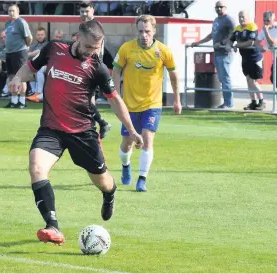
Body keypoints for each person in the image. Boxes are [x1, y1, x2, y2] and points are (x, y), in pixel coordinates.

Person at [9, 20, 143, 245]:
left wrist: (131, 130)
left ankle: (110, 193)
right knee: (36, 167)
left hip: (83, 133)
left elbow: (115, 100)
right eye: (89, 47)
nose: (92, 52)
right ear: (77, 37)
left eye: (97, 48)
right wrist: (16, 78)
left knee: (102, 182)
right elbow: (30, 67)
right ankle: (53, 226)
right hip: (51, 129)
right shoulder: (53, 49)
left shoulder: (97, 67)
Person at [113, 15, 182, 192]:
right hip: (129, 105)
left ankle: (142, 178)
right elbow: (115, 72)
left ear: (154, 31)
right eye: (141, 31)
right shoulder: (126, 49)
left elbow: (174, 76)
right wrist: (117, 98)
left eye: (147, 31)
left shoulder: (163, 51)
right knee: (127, 144)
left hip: (153, 103)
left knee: (147, 139)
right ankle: (126, 166)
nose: (144, 35)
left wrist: (177, 99)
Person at [190, 1, 235, 109]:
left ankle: (229, 103)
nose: (218, 9)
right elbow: (212, 35)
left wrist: (223, 43)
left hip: (225, 53)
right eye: (217, 7)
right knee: (221, 79)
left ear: (225, 7)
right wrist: (198, 42)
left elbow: (234, 33)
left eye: (220, 7)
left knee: (225, 78)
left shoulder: (229, 19)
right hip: (217, 53)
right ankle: (227, 102)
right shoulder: (216, 20)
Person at [79, 1, 111, 139]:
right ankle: (95, 125)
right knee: (85, 99)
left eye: (87, 11)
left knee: (88, 99)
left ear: (93, 10)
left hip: (93, 66)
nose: (84, 14)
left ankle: (100, 124)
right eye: (82, 11)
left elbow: (96, 49)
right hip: (87, 65)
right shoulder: (84, 26)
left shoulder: (95, 27)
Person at [230, 11, 265, 110]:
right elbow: (230, 39)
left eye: (243, 17)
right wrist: (229, 45)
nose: (241, 19)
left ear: (248, 17)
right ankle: (253, 102)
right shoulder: (237, 28)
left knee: (254, 81)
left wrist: (237, 45)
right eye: (240, 17)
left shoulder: (252, 26)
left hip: (255, 58)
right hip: (245, 59)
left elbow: (251, 42)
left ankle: (262, 102)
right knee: (248, 81)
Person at [3, 3, 33, 109]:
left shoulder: (21, 22)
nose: (11, 13)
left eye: (13, 11)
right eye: (9, 11)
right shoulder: (7, 23)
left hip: (20, 52)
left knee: (21, 77)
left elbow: (29, 37)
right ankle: (14, 101)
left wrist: (26, 47)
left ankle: (22, 101)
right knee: (11, 77)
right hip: (9, 53)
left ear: (18, 12)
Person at [26, 27, 48, 103]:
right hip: (37, 64)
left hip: (47, 65)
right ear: (36, 36)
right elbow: (27, 54)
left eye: (42, 35)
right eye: (38, 35)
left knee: (39, 69)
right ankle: (33, 92)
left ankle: (38, 92)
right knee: (27, 67)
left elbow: (37, 52)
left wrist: (29, 54)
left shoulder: (47, 44)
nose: (40, 36)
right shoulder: (34, 45)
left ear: (45, 35)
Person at [255, 11, 277, 86]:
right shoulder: (263, 30)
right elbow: (256, 42)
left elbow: (273, 43)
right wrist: (262, 48)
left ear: (273, 19)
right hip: (275, 58)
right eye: (264, 20)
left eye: (268, 20)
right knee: (273, 79)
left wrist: (266, 31)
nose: (266, 22)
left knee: (275, 78)